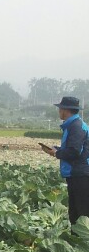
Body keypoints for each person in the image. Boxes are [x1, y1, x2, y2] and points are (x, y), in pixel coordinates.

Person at [40, 96, 89, 227]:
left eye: (60, 108)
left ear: (65, 110)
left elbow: (74, 151)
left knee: (81, 213)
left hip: (81, 174)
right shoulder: (73, 125)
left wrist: (56, 153)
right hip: (76, 174)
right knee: (75, 212)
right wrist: (58, 150)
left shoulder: (76, 126)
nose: (59, 111)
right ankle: (77, 242)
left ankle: (82, 243)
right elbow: (76, 149)